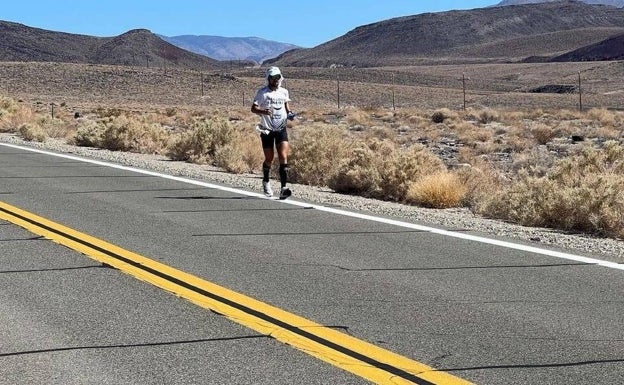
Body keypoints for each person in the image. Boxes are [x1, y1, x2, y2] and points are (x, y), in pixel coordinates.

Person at [251, 66, 295, 199]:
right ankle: (266, 181)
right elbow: (253, 108)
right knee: (269, 158)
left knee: (283, 156)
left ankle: (283, 188)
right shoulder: (262, 93)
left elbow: (286, 106)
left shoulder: (284, 92)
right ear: (268, 78)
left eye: (277, 77)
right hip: (267, 130)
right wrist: (263, 112)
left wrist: (290, 114)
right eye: (273, 77)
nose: (276, 80)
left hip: (281, 128)